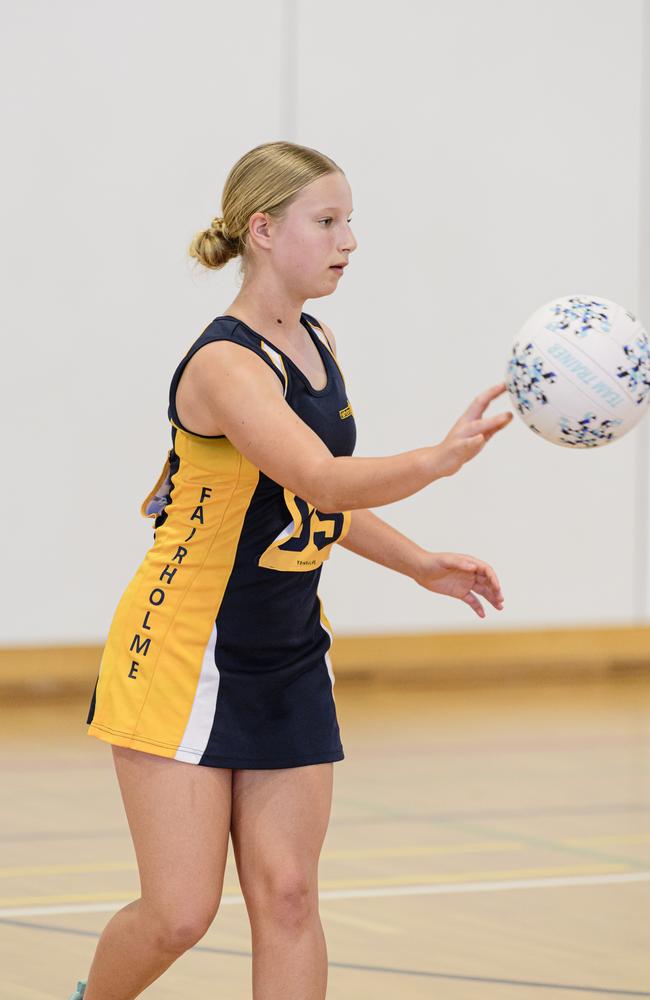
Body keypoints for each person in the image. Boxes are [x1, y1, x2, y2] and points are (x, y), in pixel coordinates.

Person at [72, 140, 512, 1000]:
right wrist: (440, 459)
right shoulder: (225, 365)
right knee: (180, 914)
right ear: (263, 230)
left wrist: (421, 564)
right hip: (182, 656)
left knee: (289, 895)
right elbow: (320, 475)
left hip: (287, 654)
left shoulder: (316, 339)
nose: (349, 240)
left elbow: (314, 507)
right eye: (328, 221)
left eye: (351, 221)